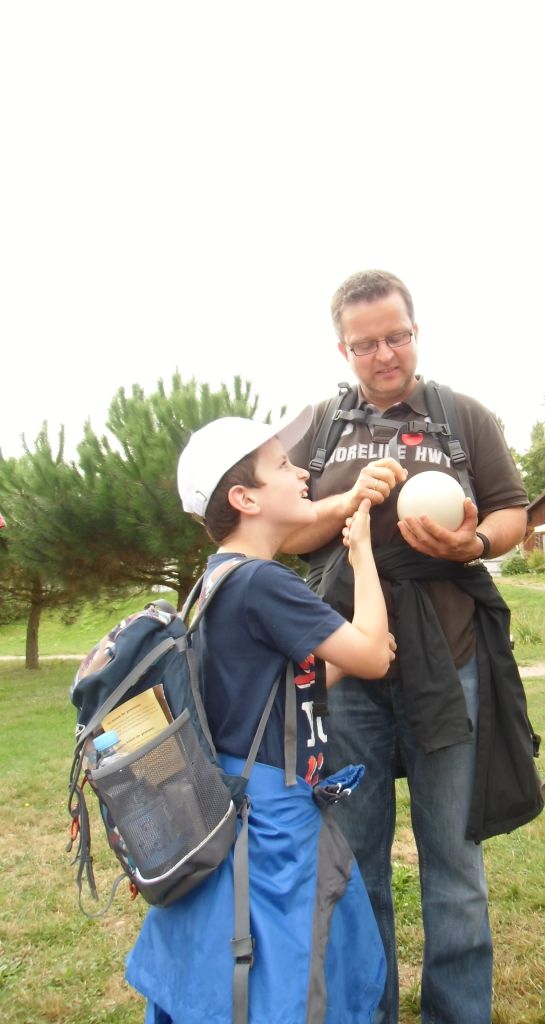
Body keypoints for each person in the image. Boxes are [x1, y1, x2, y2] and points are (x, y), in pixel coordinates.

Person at [284, 270, 540, 1024]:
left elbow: (513, 513)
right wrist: (349, 497)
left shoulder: (464, 416)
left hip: (449, 663)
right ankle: (368, 1013)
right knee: (354, 862)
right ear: (343, 348)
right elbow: (288, 532)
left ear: (416, 332)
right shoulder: (319, 425)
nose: (384, 354)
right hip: (345, 673)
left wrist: (473, 543)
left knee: (454, 863)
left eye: (396, 335)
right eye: (365, 343)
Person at [125, 408, 395, 1023]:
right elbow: (375, 653)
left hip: (235, 807)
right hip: (276, 826)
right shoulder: (265, 583)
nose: (301, 473)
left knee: (238, 974)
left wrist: (340, 659)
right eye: (282, 465)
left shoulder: (213, 583)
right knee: (292, 981)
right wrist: (361, 558)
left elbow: (269, 691)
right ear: (245, 497)